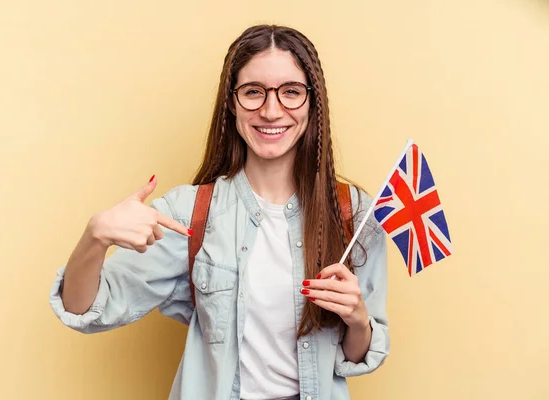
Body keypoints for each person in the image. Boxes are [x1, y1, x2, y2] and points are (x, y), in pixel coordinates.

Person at [49, 24, 389, 400]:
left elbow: (358, 356)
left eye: (291, 92)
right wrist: (94, 236)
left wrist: (357, 319)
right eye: (253, 92)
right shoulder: (189, 213)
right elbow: (84, 310)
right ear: (231, 102)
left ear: (312, 101)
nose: (271, 111)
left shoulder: (354, 214)